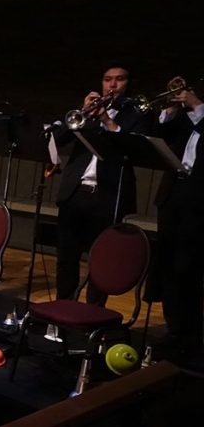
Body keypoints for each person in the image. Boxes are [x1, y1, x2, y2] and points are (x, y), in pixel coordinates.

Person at [50, 62, 149, 305]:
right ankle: (63, 309)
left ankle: (93, 313)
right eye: (107, 79)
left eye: (119, 79)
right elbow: (59, 139)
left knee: (101, 260)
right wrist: (82, 111)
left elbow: (135, 148)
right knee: (66, 258)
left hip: (108, 196)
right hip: (76, 193)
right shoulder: (88, 112)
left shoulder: (137, 114)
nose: (112, 85)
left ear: (128, 84)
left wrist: (107, 121)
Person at [153, 75, 204, 362]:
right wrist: (171, 108)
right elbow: (160, 133)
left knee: (189, 269)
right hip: (172, 196)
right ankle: (174, 331)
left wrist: (196, 104)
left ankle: (192, 336)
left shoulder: (200, 116)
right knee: (169, 268)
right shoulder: (187, 119)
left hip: (198, 201)